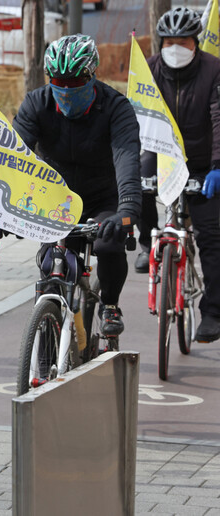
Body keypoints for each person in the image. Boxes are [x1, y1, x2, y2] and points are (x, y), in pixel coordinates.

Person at [13, 34, 143, 337]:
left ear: (92, 75)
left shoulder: (116, 107)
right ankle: (45, 340)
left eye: (76, 82)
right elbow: (11, 159)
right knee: (50, 264)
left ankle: (110, 303)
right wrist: (3, 209)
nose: (66, 90)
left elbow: (127, 160)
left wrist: (126, 210)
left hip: (103, 198)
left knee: (109, 245)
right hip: (56, 200)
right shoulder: (36, 104)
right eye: (58, 82)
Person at [134, 7, 220, 342]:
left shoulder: (214, 69)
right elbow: (135, 113)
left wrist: (217, 166)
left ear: (195, 42)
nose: (175, 47)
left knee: (211, 236)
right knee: (137, 186)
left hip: (202, 160)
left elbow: (218, 119)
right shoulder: (151, 69)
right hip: (161, 154)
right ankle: (145, 244)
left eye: (182, 40)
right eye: (169, 40)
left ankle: (212, 312)